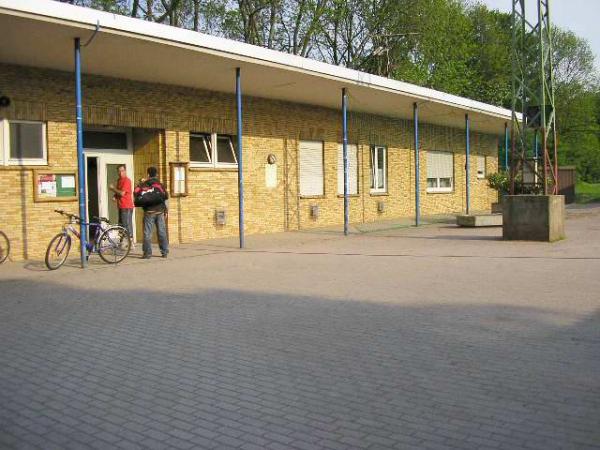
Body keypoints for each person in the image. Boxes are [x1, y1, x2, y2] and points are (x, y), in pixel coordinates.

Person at [134, 166, 169, 259]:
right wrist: (166, 210)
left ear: (148, 174)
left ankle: (147, 253)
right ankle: (164, 252)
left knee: (147, 233)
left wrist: (140, 183)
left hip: (149, 212)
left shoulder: (145, 184)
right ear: (156, 174)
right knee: (162, 232)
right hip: (160, 212)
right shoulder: (160, 184)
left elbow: (135, 192)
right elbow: (166, 197)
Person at [109, 165, 134, 243]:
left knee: (126, 225)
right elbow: (119, 192)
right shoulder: (119, 180)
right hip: (121, 206)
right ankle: (123, 242)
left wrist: (113, 189)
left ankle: (130, 242)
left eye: (122, 171)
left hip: (127, 206)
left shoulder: (127, 180)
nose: (120, 173)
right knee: (121, 225)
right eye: (119, 171)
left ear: (125, 171)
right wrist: (115, 196)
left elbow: (122, 193)